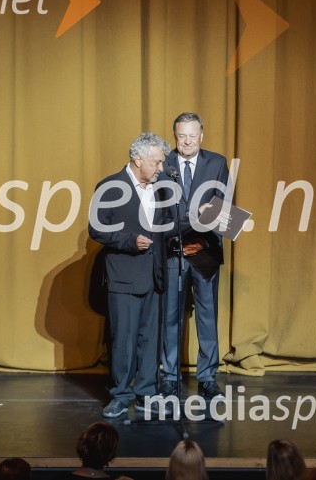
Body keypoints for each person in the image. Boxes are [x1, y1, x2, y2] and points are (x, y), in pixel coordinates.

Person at [88, 133, 170, 418]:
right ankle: (121, 394)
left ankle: (147, 392)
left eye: (161, 163)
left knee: (150, 338)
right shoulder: (110, 187)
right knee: (123, 338)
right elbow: (96, 229)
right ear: (138, 159)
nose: (160, 168)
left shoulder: (162, 189)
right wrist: (129, 240)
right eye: (156, 162)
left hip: (155, 276)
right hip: (124, 275)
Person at [159, 113, 231, 400]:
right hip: (173, 252)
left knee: (207, 315)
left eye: (192, 135)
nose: (187, 141)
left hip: (204, 251)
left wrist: (201, 221)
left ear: (202, 135)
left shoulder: (217, 163)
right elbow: (160, 210)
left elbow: (222, 206)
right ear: (175, 136)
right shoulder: (164, 164)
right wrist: (192, 217)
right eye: (181, 136)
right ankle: (170, 377)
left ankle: (207, 377)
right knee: (171, 316)